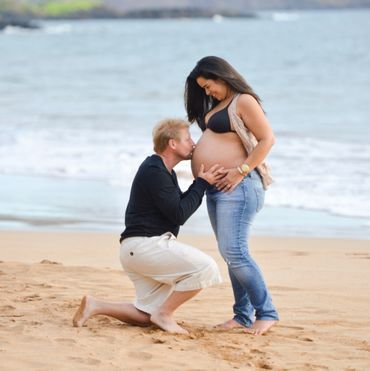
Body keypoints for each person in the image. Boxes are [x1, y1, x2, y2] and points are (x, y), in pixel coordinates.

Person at [73, 118, 223, 334]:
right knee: (206, 268)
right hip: (145, 246)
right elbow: (180, 214)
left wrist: (200, 182)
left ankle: (95, 305)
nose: (193, 144)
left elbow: (178, 207)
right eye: (188, 139)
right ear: (172, 144)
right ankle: (165, 314)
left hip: (137, 249)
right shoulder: (155, 171)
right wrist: (202, 183)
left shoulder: (162, 170)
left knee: (145, 316)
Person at [184, 56, 279, 335]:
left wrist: (240, 169)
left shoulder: (243, 100)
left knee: (234, 252)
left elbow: (267, 139)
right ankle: (242, 316)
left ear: (221, 76)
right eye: (202, 88)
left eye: (208, 85)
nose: (207, 92)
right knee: (232, 254)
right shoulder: (219, 105)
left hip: (241, 186)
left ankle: (267, 312)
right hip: (218, 188)